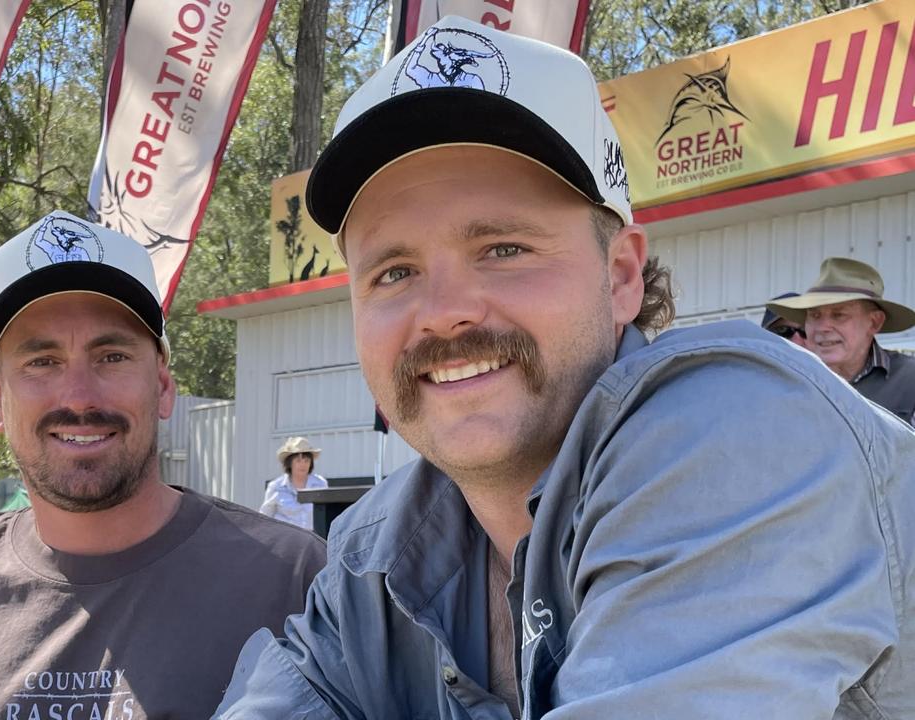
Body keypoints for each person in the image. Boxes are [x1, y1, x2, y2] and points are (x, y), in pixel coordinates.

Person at [214, 16, 915, 719]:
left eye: (503, 248)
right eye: (393, 271)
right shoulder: (376, 550)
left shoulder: (740, 436)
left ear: (619, 277)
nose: (442, 312)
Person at [0, 211, 325, 720]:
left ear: (162, 386)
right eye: (41, 362)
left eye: (111, 356)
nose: (79, 395)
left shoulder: (300, 585)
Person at [768, 257, 915, 422]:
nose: (823, 327)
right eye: (815, 315)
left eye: (838, 315)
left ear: (874, 322)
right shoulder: (784, 381)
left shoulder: (909, 379)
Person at [259, 437, 329, 530]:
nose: (303, 464)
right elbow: (265, 517)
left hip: (313, 539)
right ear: (289, 463)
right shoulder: (276, 486)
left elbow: (327, 515)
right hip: (284, 539)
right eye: (298, 461)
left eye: (306, 461)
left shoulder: (320, 484)